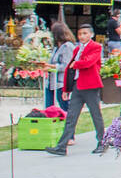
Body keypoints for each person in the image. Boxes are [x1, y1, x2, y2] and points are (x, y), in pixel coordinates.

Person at [45, 23, 106, 155]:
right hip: (77, 86)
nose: (82, 36)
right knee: (71, 116)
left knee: (96, 115)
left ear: (91, 35)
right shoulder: (77, 49)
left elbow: (89, 62)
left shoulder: (96, 47)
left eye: (85, 33)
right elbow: (69, 70)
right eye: (80, 34)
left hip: (90, 86)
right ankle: (62, 146)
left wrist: (76, 63)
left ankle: (102, 142)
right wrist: (67, 89)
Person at [44, 21, 74, 113]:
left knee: (64, 106)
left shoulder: (67, 47)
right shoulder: (56, 47)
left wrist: (52, 67)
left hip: (61, 82)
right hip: (51, 81)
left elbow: (66, 66)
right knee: (49, 108)